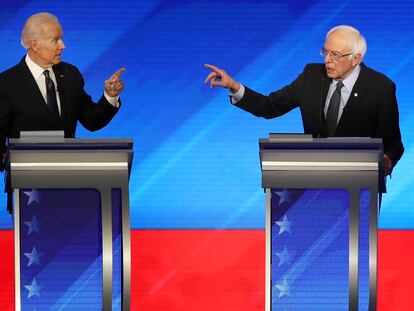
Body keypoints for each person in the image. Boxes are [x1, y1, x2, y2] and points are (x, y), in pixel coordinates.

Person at [204, 25, 404, 176]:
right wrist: (235, 87)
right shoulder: (311, 76)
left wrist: (388, 160)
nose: (327, 59)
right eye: (325, 52)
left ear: (356, 58)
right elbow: (269, 106)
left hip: (361, 182)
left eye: (335, 54)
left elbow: (394, 143)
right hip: (313, 178)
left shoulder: (381, 87)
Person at [0, 12, 126, 212]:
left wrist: (109, 96)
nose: (63, 45)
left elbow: (92, 120)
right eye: (55, 40)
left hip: (71, 183)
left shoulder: (70, 75)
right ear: (35, 44)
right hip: (29, 191)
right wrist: (11, 161)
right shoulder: (6, 84)